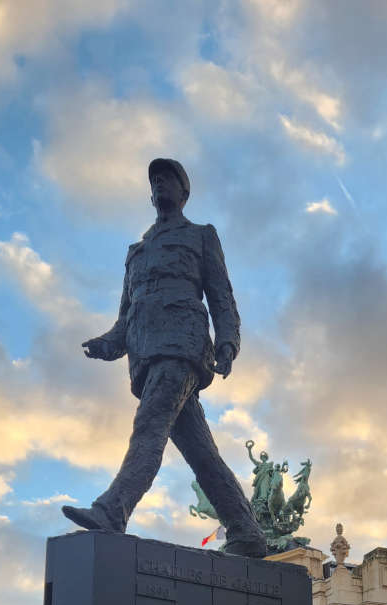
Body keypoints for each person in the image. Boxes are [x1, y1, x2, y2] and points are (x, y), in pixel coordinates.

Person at [62, 159, 267, 557]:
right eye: (154, 180)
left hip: (183, 344)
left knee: (150, 426)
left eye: (167, 179)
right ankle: (246, 531)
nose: (159, 184)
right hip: (146, 351)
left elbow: (221, 294)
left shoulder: (201, 236)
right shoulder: (135, 251)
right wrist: (108, 344)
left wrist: (228, 340)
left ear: (183, 192)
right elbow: (125, 315)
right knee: (200, 453)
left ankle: (112, 510)